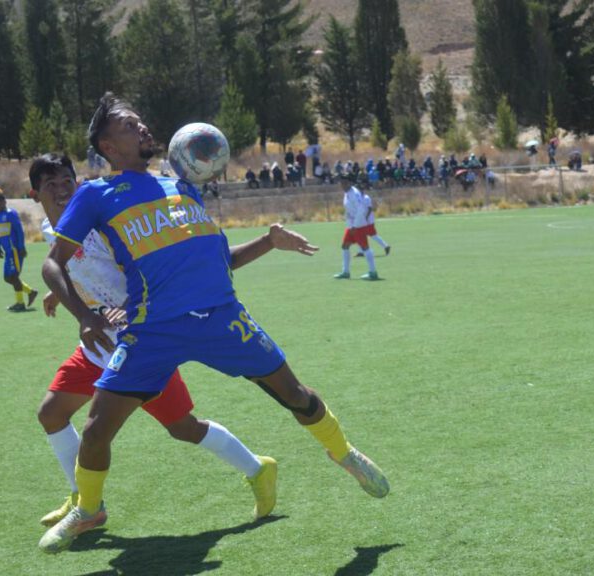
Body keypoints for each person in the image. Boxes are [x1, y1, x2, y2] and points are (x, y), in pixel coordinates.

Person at [39, 94, 388, 554]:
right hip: (154, 327)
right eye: (130, 126)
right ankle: (88, 509)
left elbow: (219, 260)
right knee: (98, 425)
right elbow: (52, 264)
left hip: (223, 317)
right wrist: (84, 316)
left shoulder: (182, 189)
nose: (143, 128)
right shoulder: (96, 196)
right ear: (107, 144)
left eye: (142, 122)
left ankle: (344, 453)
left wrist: (268, 240)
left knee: (296, 395)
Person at [28, 153, 277, 530]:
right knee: (51, 413)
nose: (62, 190)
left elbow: (145, 268)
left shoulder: (97, 224)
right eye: (52, 185)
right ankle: (84, 500)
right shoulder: (58, 235)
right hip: (98, 347)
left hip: (142, 345)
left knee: (184, 428)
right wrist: (64, 295)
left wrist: (128, 307)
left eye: (67, 181)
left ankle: (257, 468)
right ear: (35, 194)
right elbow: (69, 266)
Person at [0, 190, 38, 311]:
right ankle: (30, 292)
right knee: (7, 278)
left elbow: (19, 231)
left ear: (4, 201)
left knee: (13, 276)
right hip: (7, 252)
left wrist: (21, 247)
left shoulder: (11, 214)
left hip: (15, 251)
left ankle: (20, 303)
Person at [334, 176, 379, 280]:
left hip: (358, 225)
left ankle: (373, 272)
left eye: (344, 183)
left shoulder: (355, 193)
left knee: (365, 248)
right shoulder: (347, 193)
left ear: (349, 182)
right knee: (345, 246)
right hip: (351, 225)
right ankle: (345, 272)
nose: (342, 185)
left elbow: (361, 210)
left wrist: (355, 225)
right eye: (341, 183)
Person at [354, 192, 390, 257]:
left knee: (373, 235)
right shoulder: (358, 198)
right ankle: (361, 251)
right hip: (362, 220)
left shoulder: (366, 197)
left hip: (368, 221)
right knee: (359, 234)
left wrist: (366, 218)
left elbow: (370, 209)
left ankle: (386, 246)